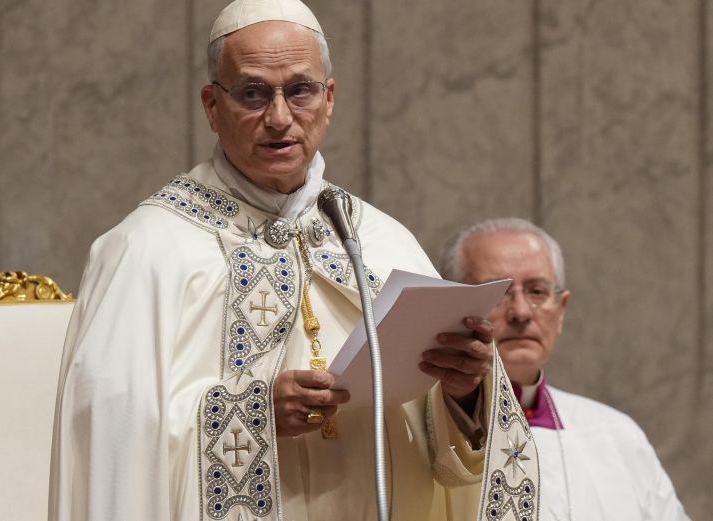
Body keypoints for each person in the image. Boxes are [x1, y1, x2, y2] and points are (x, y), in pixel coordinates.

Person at [48, 1, 540, 519]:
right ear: (212, 107)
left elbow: (441, 456)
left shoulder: (378, 239)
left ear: (329, 100)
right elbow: (107, 438)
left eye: (300, 91)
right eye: (253, 93)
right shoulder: (145, 249)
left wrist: (462, 394)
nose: (279, 118)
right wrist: (250, 415)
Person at [439, 217, 690, 521]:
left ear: (561, 311)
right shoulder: (416, 432)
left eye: (536, 291)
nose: (520, 312)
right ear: (452, 304)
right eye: (498, 292)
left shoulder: (617, 435)